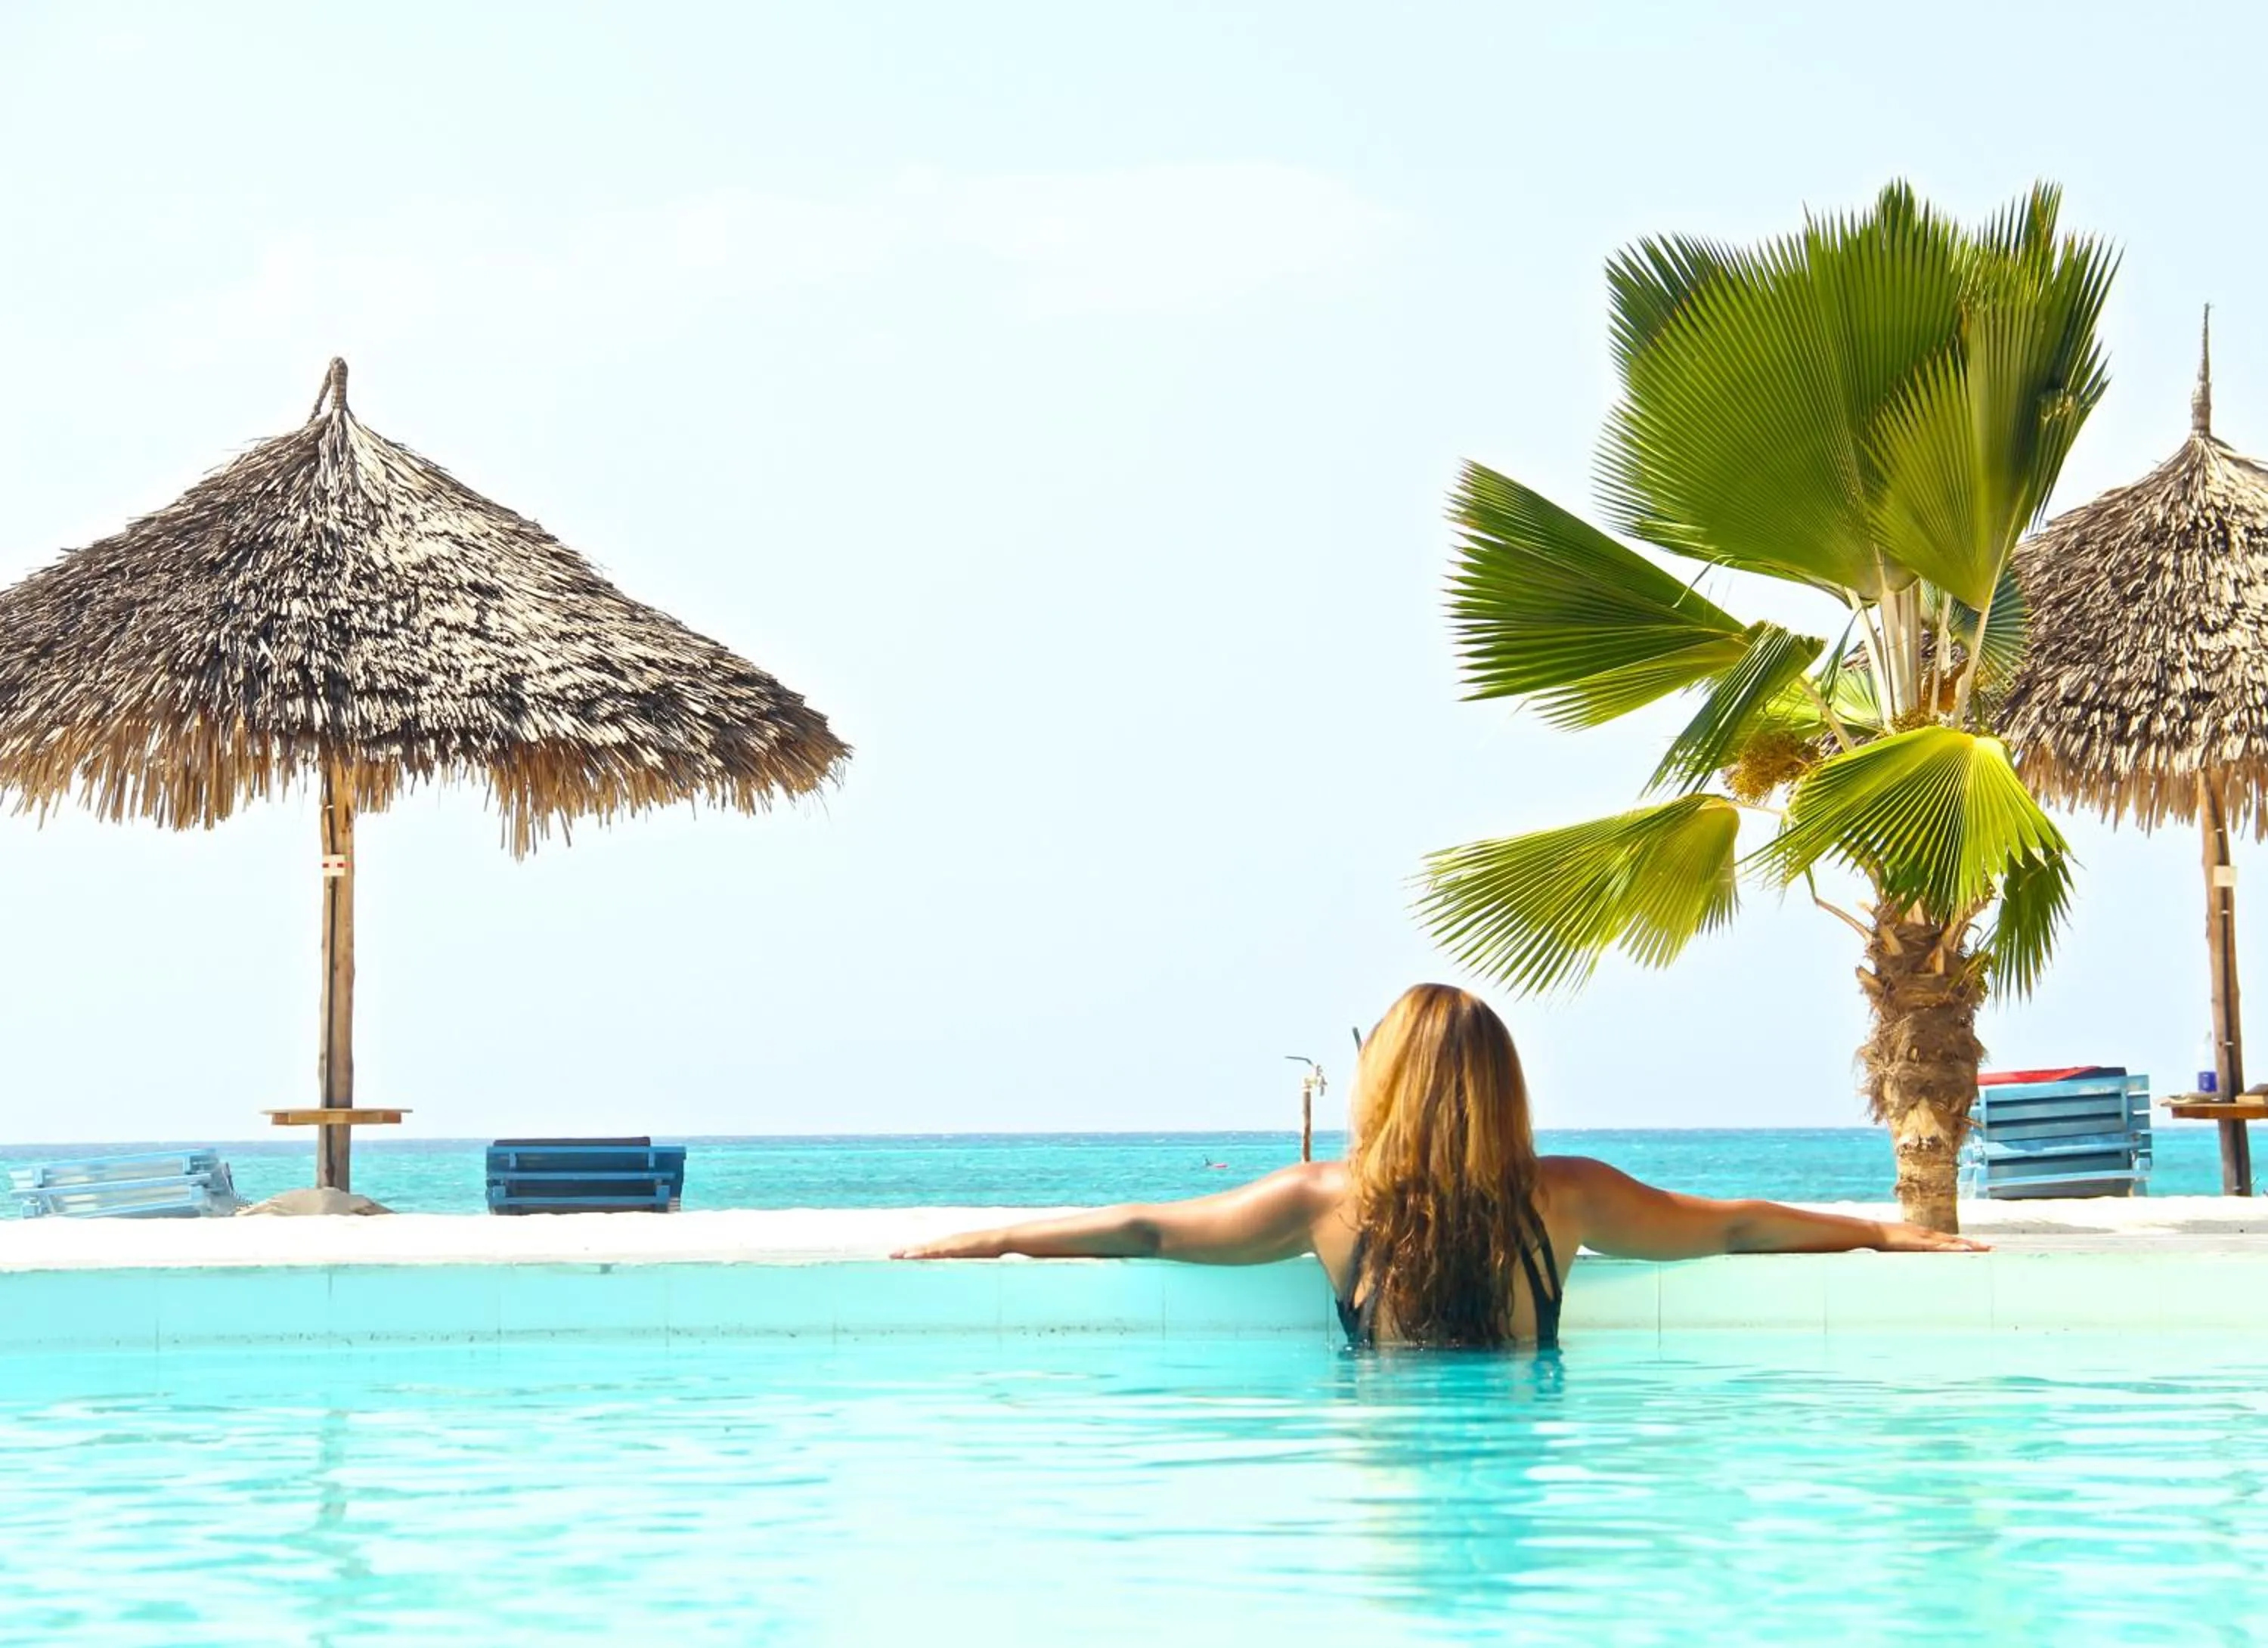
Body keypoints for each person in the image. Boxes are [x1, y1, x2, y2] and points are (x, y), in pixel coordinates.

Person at [893, 983, 1984, 1347]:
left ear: (1383, 1085)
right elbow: (1736, 1224)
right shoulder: (1567, 1194)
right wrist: (1885, 1233)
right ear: (1503, 1085)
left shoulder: (1324, 1202)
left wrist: (991, 1235)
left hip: (1389, 1469)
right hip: (1521, 1460)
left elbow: (1146, 1230)